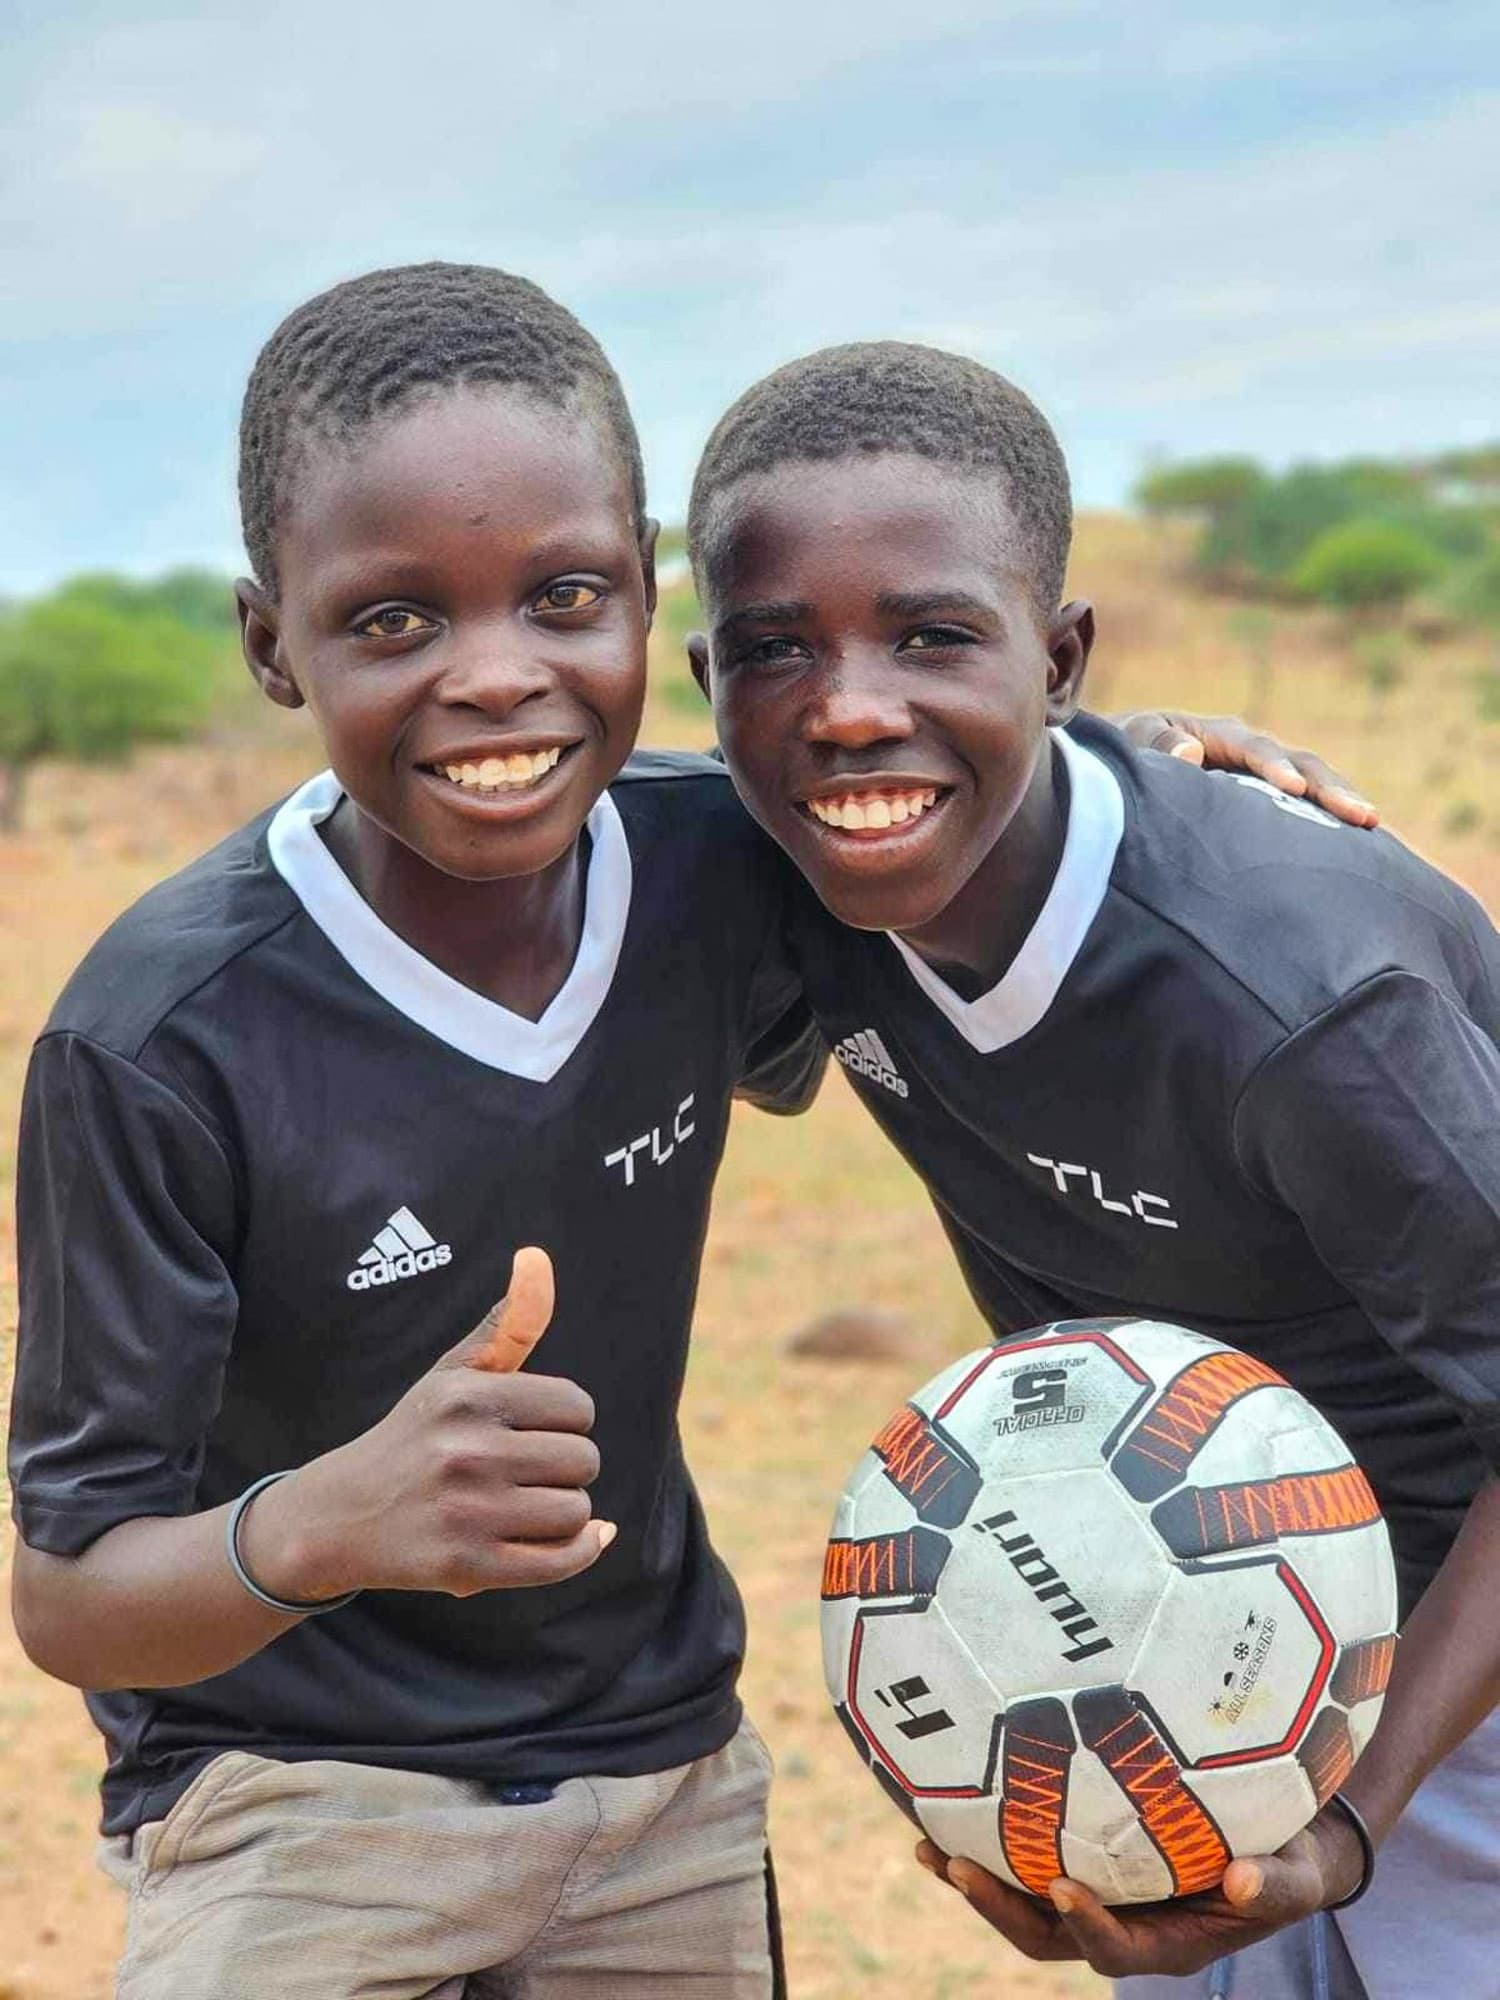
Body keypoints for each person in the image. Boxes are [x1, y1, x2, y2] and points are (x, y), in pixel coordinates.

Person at [5, 263, 1359, 2000]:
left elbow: (951, 794)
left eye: (562, 596)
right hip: (293, 1799)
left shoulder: (716, 871)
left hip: (661, 1792)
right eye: (394, 620)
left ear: (648, 596)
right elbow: (72, 1596)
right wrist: (320, 1527)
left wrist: (1147, 771)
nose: (497, 678)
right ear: (273, 642)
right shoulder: (159, 1042)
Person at [684, 340, 1500, 2000]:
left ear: (1058, 658)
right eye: (776, 651)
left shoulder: (1300, 995)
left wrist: (1350, 1818)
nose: (849, 706)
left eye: (933, 636)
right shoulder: (784, 881)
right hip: (1144, 1659)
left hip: (1459, 1668)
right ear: (704, 679)